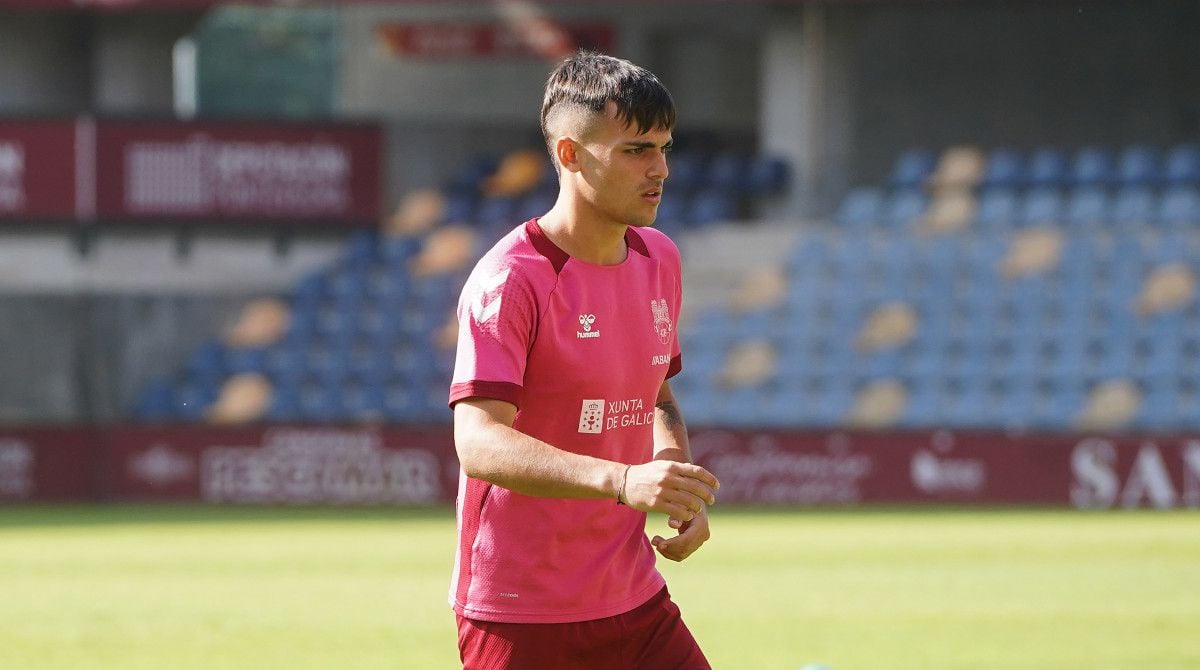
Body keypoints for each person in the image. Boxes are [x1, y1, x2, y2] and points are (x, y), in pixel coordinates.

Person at [447, 51, 720, 669]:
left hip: (637, 600)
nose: (660, 169)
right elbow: (479, 440)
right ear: (569, 154)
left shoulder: (660, 259)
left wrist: (676, 485)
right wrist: (623, 481)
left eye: (664, 147)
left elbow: (658, 400)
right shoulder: (510, 280)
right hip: (522, 612)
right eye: (634, 150)